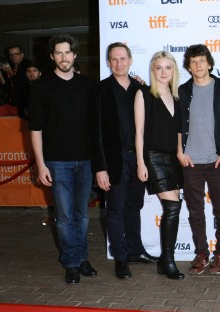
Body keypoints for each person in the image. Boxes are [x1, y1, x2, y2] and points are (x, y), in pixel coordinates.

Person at [28, 34, 97, 284]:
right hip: (57, 163)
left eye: (68, 52)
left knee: (82, 215)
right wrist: (40, 163)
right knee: (65, 216)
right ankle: (70, 262)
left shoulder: (89, 85)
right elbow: (35, 129)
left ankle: (82, 258)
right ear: (52, 57)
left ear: (74, 55)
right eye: (59, 53)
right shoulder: (41, 87)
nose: (64, 57)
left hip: (86, 162)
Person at [90, 43, 158, 280]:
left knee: (133, 206)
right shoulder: (100, 90)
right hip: (113, 162)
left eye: (122, 58)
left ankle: (135, 251)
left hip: (138, 159)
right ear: (108, 62)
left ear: (130, 60)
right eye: (113, 59)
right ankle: (120, 257)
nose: (118, 63)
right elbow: (95, 133)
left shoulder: (141, 88)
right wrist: (100, 168)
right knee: (115, 211)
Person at [177, 44, 220, 275]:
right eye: (193, 62)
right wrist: (180, 153)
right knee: (195, 211)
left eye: (201, 61)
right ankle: (201, 252)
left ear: (210, 63)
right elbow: (177, 127)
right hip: (191, 162)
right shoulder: (183, 91)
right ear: (189, 66)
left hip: (216, 162)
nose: (198, 65)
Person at [134, 51, 184, 280]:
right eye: (159, 68)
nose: (163, 72)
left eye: (168, 68)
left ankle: (165, 260)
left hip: (174, 159)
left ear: (174, 71)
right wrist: (141, 162)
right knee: (173, 207)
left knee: (174, 207)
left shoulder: (177, 97)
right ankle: (168, 261)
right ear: (152, 71)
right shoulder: (143, 94)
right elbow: (139, 132)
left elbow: (179, 132)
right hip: (153, 157)